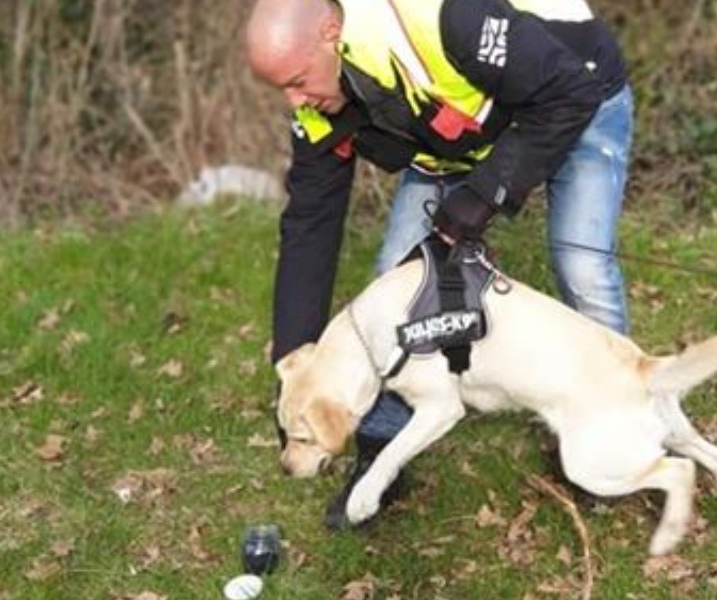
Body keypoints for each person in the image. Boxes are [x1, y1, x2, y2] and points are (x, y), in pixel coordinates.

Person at [245, 0, 634, 530]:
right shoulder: (318, 98)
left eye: (296, 80)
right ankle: (380, 453)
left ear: (330, 33)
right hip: (461, 141)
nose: (295, 101)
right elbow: (310, 225)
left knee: (581, 267)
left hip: (576, 89)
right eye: (281, 90)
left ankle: (615, 430)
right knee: (393, 278)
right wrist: (297, 370)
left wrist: (486, 194)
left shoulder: (442, 18)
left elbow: (568, 92)